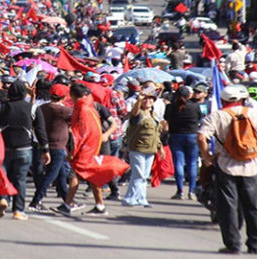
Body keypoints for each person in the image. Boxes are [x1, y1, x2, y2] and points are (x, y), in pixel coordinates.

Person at [197, 85, 257, 255]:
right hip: (251, 165)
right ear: (241, 99)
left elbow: (201, 137)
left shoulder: (217, 116)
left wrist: (207, 156)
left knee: (228, 206)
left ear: (223, 100)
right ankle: (255, 244)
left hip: (226, 166)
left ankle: (233, 244)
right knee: (252, 206)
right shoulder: (254, 113)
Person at [52, 83, 128, 217]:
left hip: (86, 147)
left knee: (76, 174)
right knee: (92, 176)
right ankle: (99, 205)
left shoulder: (83, 109)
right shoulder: (87, 106)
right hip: (90, 146)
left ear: (73, 95)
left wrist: (74, 150)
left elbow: (84, 132)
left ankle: (68, 205)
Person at [0, 79, 48, 220]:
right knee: (20, 179)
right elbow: (40, 131)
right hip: (25, 148)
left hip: (4, 148)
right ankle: (18, 210)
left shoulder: (0, 107)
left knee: (4, 177)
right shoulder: (33, 108)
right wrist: (45, 150)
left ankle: (3, 199)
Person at [28, 83, 72, 212]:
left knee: (61, 174)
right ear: (64, 97)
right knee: (51, 175)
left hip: (44, 144)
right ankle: (35, 201)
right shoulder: (63, 111)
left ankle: (68, 200)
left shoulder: (41, 107)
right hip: (56, 145)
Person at [122, 86, 164, 207]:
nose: (148, 101)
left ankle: (141, 198)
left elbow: (157, 133)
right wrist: (139, 100)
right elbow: (134, 114)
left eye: (151, 99)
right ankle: (129, 198)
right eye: (146, 99)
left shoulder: (154, 115)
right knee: (138, 174)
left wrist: (160, 147)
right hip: (138, 148)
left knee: (144, 175)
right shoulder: (138, 113)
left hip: (151, 148)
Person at [165, 85, 204, 200]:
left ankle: (180, 190)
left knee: (178, 163)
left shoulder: (171, 107)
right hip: (192, 135)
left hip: (175, 135)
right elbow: (200, 118)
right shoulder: (195, 106)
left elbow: (166, 118)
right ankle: (191, 191)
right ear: (189, 96)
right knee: (192, 163)